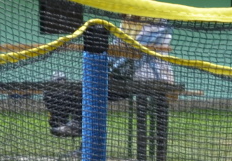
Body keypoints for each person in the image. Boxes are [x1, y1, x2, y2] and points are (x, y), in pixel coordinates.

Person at [42, 17, 172, 138]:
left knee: (90, 89)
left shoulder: (157, 23)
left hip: (151, 78)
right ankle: (67, 126)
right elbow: (114, 50)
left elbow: (135, 52)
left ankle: (78, 128)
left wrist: (109, 69)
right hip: (121, 78)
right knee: (68, 88)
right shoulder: (127, 23)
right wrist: (104, 67)